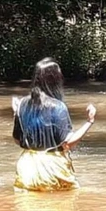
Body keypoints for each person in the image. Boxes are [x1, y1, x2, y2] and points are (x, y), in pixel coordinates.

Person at [11, 58, 97, 192]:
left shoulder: (21, 104)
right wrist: (89, 121)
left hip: (26, 168)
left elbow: (17, 140)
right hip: (53, 169)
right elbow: (68, 143)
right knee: (56, 209)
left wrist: (17, 115)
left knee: (27, 210)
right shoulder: (58, 107)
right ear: (56, 80)